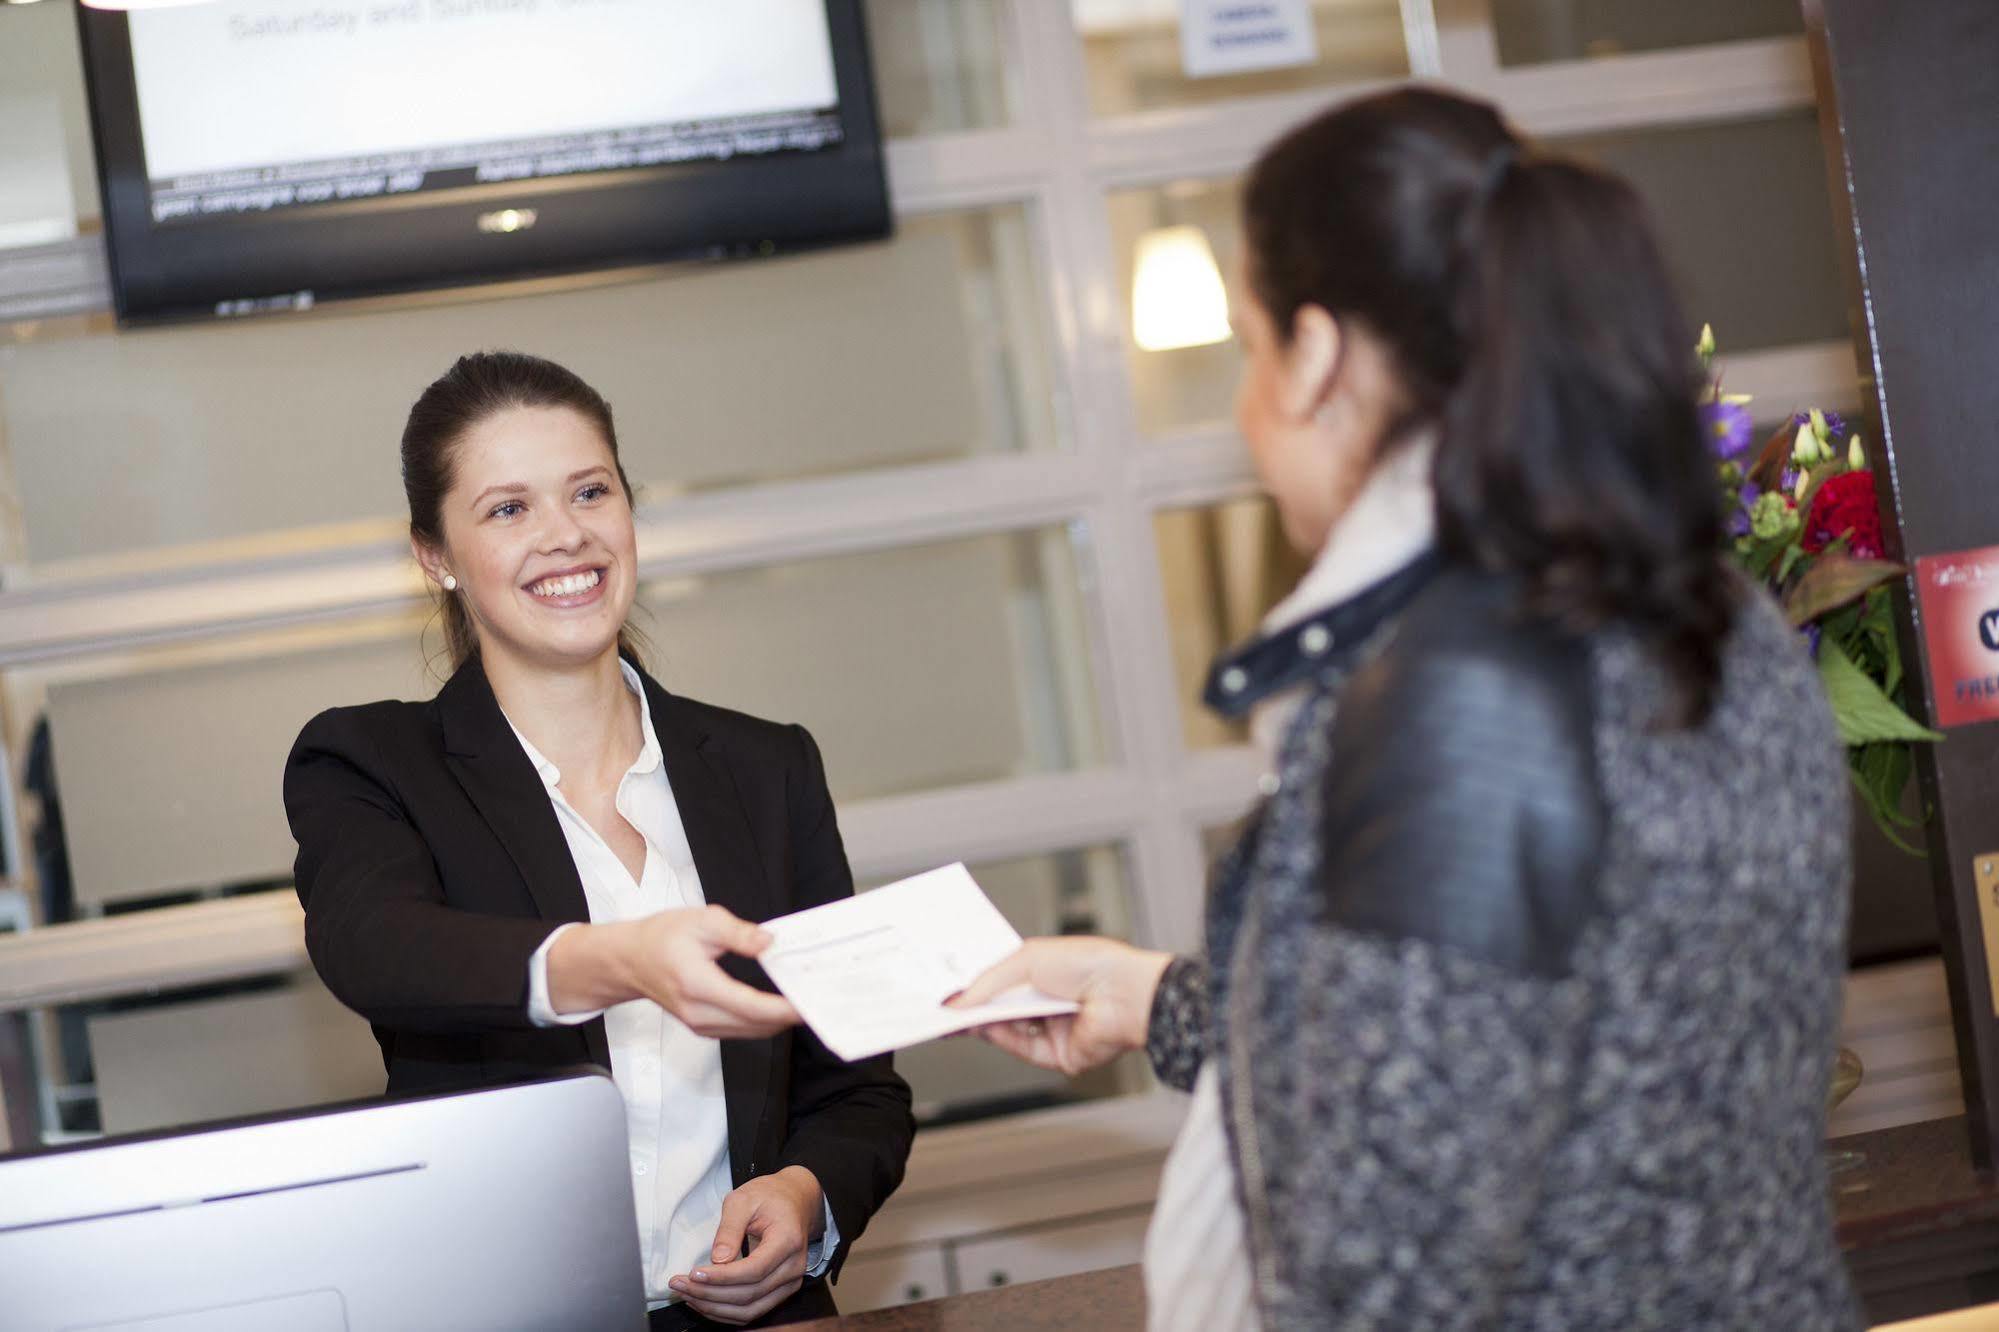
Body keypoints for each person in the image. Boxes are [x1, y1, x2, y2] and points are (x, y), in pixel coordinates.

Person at [954, 87, 1861, 1329]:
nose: (1245, 411)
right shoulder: (1700, 605)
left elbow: (1396, 1263)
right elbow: (1543, 1034)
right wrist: (1161, 998)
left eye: (1248, 349)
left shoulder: (1458, 696)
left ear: (1316, 357)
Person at [284, 352, 913, 1329]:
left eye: (590, 491)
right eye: (508, 509)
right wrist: (620, 958)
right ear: (435, 557)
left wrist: (804, 1197)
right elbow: (374, 945)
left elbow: (859, 1088)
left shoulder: (765, 767)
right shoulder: (373, 762)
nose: (565, 533)